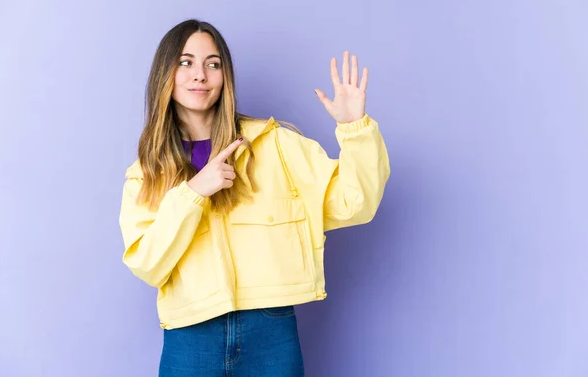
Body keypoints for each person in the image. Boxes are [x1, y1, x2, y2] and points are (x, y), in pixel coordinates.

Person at [118, 19, 390, 376]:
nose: (199, 75)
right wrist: (194, 192)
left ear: (225, 76)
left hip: (271, 333)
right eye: (185, 62)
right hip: (190, 335)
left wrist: (355, 129)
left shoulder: (275, 143)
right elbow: (148, 264)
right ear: (164, 74)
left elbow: (355, 202)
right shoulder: (147, 171)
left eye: (212, 64)